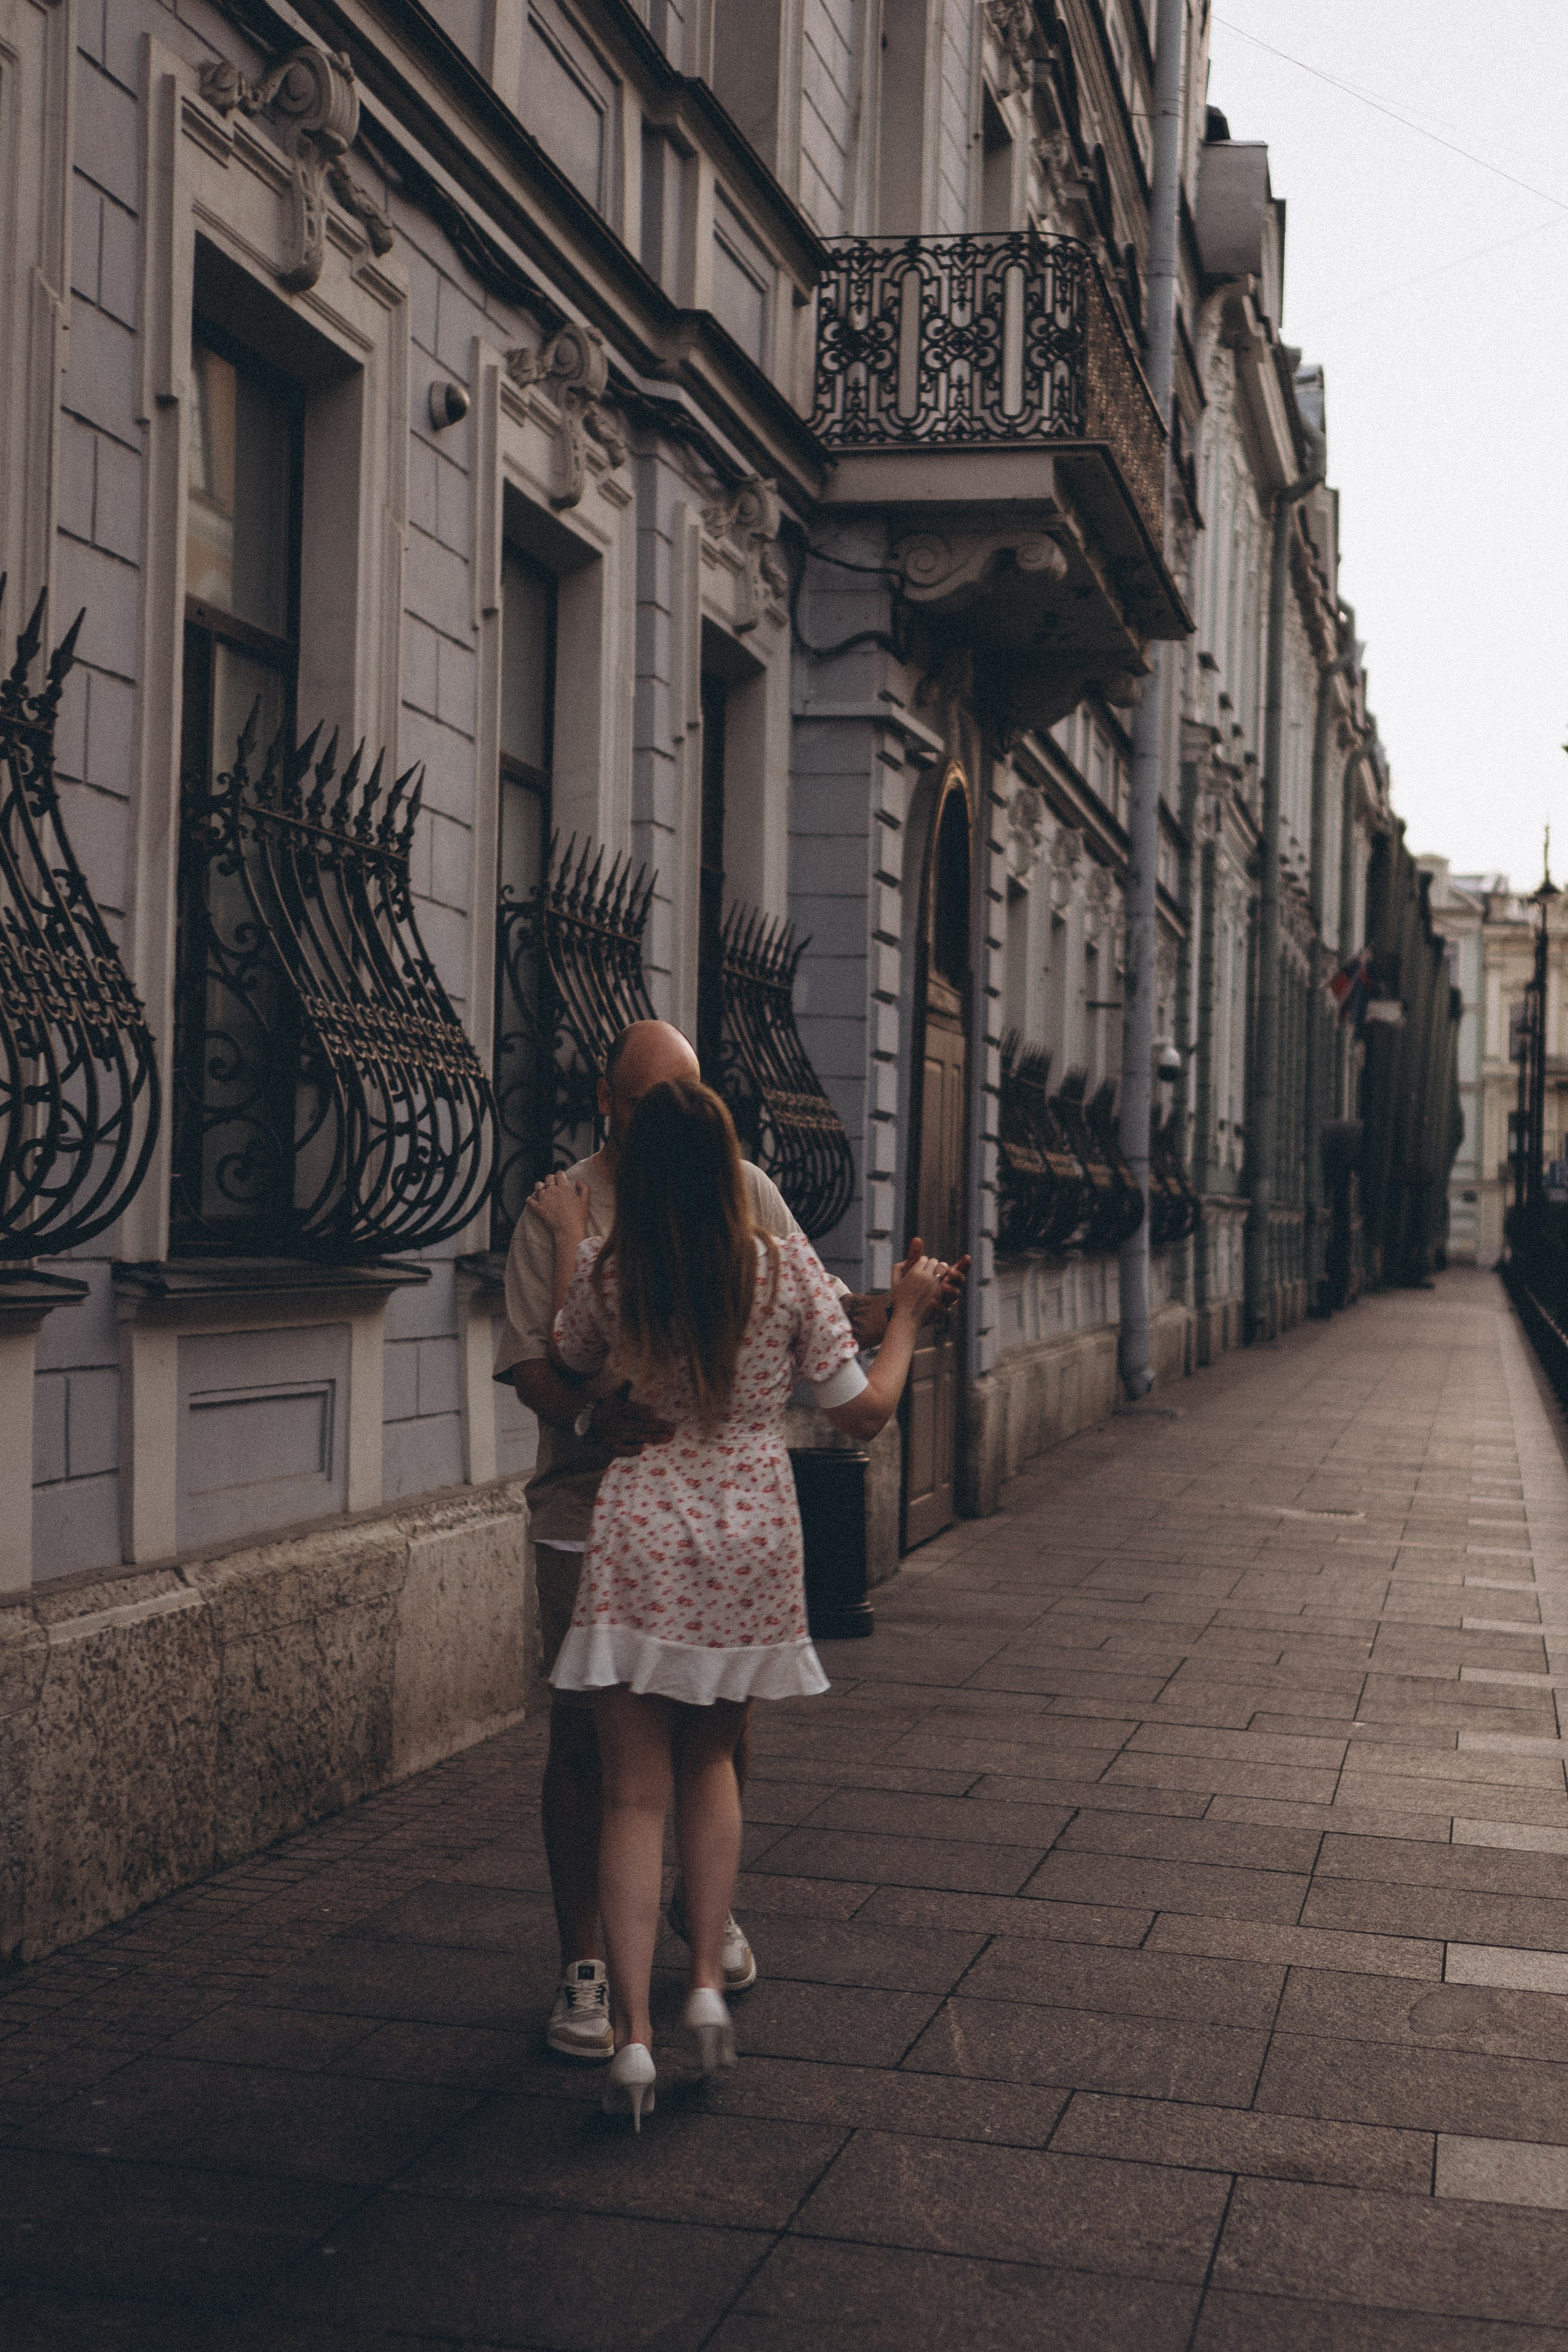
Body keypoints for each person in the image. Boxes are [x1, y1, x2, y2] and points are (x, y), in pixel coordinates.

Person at [495, 1019, 968, 2063]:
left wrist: (594, 1255)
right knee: (680, 1756)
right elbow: (848, 1391)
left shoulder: (614, 1256)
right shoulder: (737, 1247)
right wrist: (908, 1319)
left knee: (634, 1784)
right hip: (719, 1521)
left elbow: (584, 1336)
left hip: (641, 1521)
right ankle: (686, 1977)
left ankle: (633, 2022)